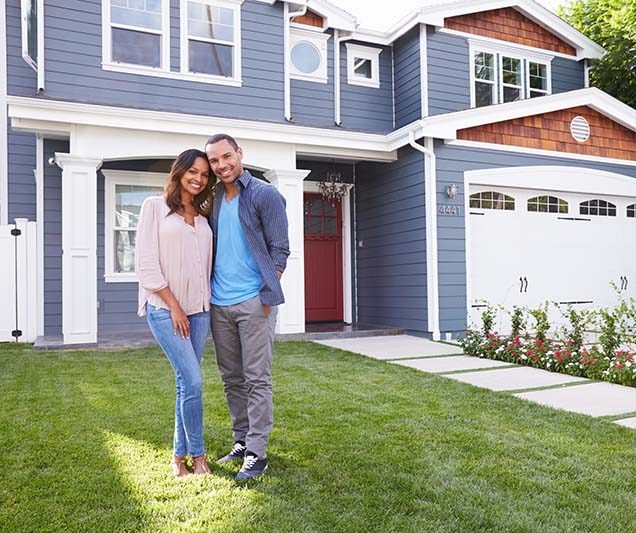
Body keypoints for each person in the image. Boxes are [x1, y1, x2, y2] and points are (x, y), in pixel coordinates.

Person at [205, 133, 289, 481]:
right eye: (214, 160)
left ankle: (257, 452)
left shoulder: (264, 195)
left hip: (254, 302)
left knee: (257, 379)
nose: (221, 165)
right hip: (218, 303)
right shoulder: (211, 199)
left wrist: (266, 295)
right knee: (231, 379)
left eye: (227, 156)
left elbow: (280, 249)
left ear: (239, 153)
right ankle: (241, 441)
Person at [135, 149, 214, 477]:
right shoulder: (154, 207)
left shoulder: (204, 216)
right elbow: (146, 265)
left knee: (186, 383)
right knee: (193, 379)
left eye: (205, 174)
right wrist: (175, 306)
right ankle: (198, 456)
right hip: (166, 311)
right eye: (193, 171)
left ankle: (177, 459)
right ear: (179, 172)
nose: (198, 179)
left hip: (200, 311)